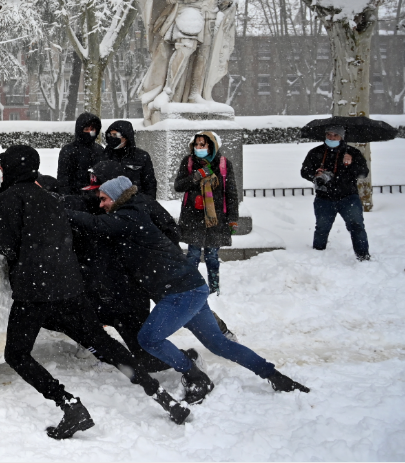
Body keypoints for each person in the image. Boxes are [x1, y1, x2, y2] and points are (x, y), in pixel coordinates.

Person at [0, 145, 189, 440]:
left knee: (17, 354)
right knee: (104, 346)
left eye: (2, 165)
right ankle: (162, 396)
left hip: (34, 292)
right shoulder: (50, 198)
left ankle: (68, 405)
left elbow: (8, 249)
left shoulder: (10, 198)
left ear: (10, 168)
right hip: (69, 288)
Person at [67, 176, 310, 405]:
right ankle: (275, 376)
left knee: (149, 339)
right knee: (218, 344)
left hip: (180, 291)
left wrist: (57, 210)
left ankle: (195, 377)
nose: (101, 204)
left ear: (117, 196)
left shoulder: (129, 216)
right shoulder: (131, 212)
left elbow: (95, 224)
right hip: (190, 287)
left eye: (104, 199)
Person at [63, 160, 177, 372]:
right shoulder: (108, 206)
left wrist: (144, 264)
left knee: (145, 348)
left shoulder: (139, 209)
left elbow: (170, 235)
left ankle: (186, 362)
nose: (97, 200)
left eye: (100, 194)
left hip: (133, 287)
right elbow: (81, 205)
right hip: (113, 284)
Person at [173, 131, 238, 295]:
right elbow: (179, 186)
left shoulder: (223, 164)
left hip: (215, 218)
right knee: (193, 255)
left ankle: (214, 289)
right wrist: (196, 176)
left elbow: (231, 193)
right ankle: (190, 287)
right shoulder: (188, 162)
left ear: (212, 146)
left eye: (203, 145)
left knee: (212, 256)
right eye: (196, 145)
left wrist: (233, 219)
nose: (198, 148)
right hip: (192, 216)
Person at [300, 125, 370, 261]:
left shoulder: (352, 152)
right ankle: (317, 255)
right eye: (329, 135)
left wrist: (351, 164)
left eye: (335, 135)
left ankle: (363, 256)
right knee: (321, 228)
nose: (331, 138)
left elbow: (363, 173)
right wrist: (315, 174)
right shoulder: (316, 152)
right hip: (324, 198)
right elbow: (304, 171)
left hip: (349, 197)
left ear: (342, 137)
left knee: (357, 227)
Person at [101, 120, 158, 198]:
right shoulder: (104, 155)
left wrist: (147, 204)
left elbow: (149, 185)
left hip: (135, 203)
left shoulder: (141, 156)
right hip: (109, 203)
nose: (112, 138)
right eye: (110, 135)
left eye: (115, 135)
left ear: (126, 137)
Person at [56, 112, 103, 194]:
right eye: (86, 129)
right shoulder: (68, 150)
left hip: (97, 198)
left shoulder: (100, 150)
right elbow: (63, 180)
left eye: (92, 130)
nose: (89, 132)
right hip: (75, 198)